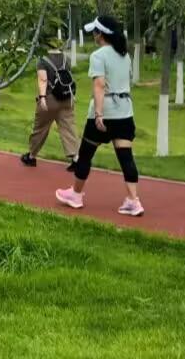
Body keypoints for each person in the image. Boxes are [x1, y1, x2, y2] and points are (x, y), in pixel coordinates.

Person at [56, 15, 144, 216]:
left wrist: (98, 114)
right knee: (126, 157)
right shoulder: (125, 56)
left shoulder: (98, 56)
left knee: (85, 154)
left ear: (101, 34)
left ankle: (76, 194)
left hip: (106, 111)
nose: (94, 35)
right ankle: (133, 200)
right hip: (124, 112)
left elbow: (99, 85)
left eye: (95, 32)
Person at [20, 40, 78, 170]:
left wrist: (42, 98)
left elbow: (43, 79)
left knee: (40, 128)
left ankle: (31, 156)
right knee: (69, 128)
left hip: (50, 98)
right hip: (66, 98)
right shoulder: (65, 58)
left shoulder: (42, 60)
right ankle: (76, 158)